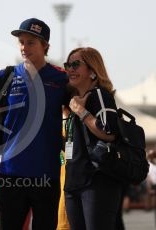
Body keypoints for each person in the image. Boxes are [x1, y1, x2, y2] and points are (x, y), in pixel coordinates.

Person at [0, 18, 69, 229]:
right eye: (21, 42)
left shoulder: (61, 79)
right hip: (10, 174)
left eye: (31, 42)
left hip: (48, 174)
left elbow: (70, 117)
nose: (24, 48)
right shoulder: (6, 76)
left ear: (45, 45)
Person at [63, 47, 123, 230]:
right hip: (73, 182)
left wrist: (81, 111)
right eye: (68, 65)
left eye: (76, 64)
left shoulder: (100, 95)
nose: (70, 69)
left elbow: (109, 132)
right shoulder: (74, 100)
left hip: (97, 181)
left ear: (92, 70)